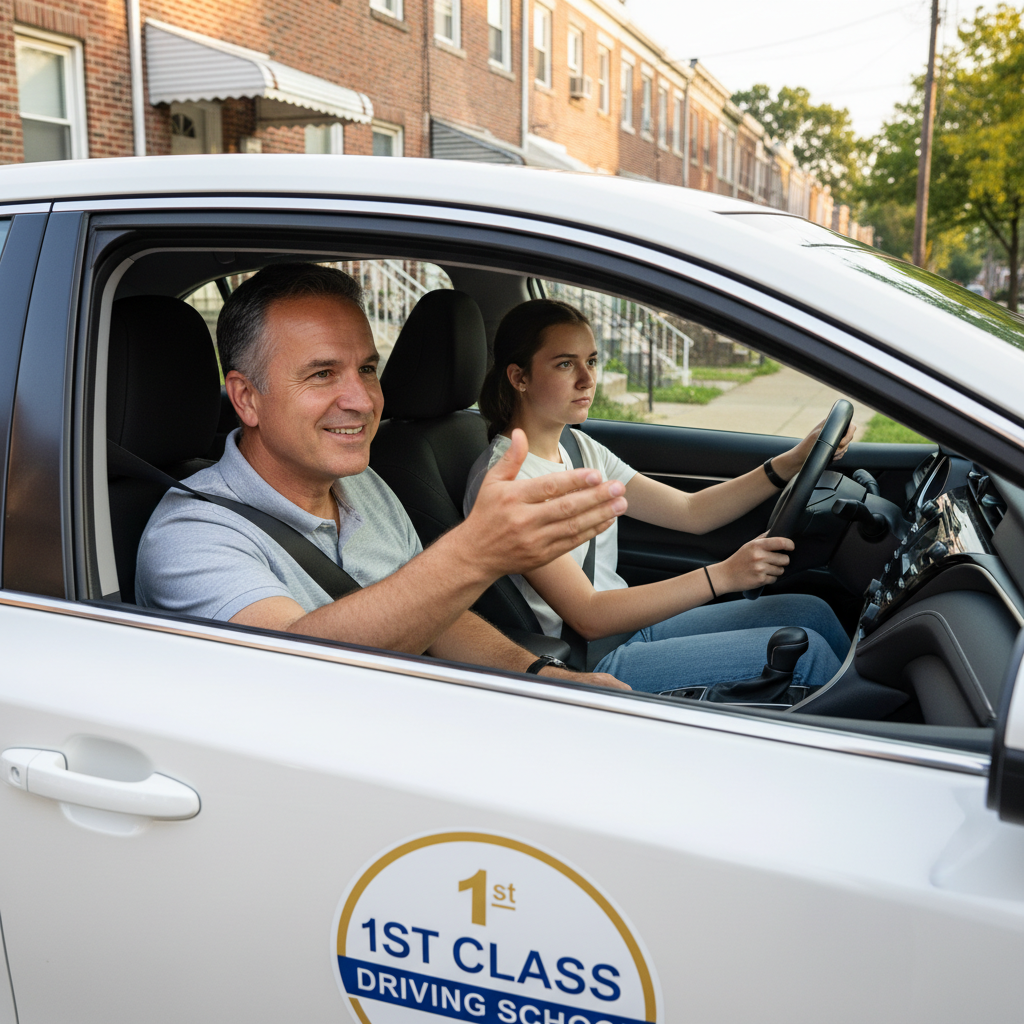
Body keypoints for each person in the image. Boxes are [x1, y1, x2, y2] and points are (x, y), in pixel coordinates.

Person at [135, 264, 630, 690]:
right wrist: (475, 554)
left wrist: (543, 677)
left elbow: (439, 616)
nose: (363, 400)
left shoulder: (361, 482)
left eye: (367, 369)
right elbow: (295, 671)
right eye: (323, 374)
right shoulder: (190, 536)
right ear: (246, 398)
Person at [463, 299, 855, 694]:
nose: (587, 379)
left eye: (592, 361)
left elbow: (692, 511)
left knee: (811, 611)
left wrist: (788, 463)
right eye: (565, 364)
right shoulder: (508, 481)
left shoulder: (579, 446)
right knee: (806, 656)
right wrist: (725, 575)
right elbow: (588, 615)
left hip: (632, 627)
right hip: (589, 658)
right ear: (519, 377)